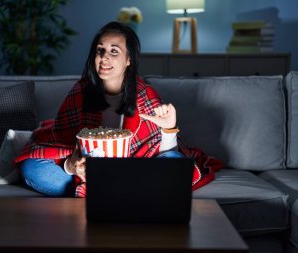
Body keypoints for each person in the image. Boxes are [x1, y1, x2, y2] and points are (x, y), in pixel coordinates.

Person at [15, 21, 221, 197]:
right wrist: (71, 165)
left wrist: (169, 130)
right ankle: (120, 194)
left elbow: (164, 154)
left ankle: (102, 193)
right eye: (100, 50)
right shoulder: (80, 92)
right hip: (88, 173)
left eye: (114, 51)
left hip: (133, 171)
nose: (104, 57)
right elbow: (61, 140)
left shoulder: (145, 96)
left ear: (129, 59)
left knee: (175, 163)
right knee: (32, 167)